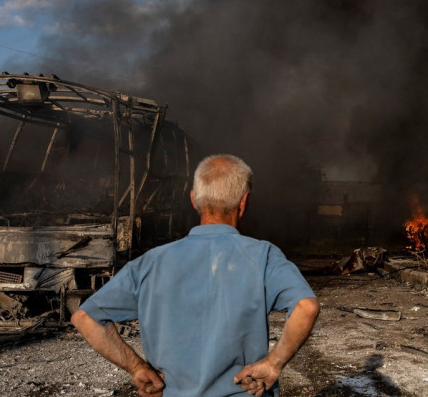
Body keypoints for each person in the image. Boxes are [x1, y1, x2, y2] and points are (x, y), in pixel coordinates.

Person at [71, 154, 319, 397]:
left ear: (193, 200)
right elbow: (306, 307)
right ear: (244, 201)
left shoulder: (150, 263)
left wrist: (137, 367)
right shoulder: (263, 256)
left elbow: (85, 318)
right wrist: (273, 364)